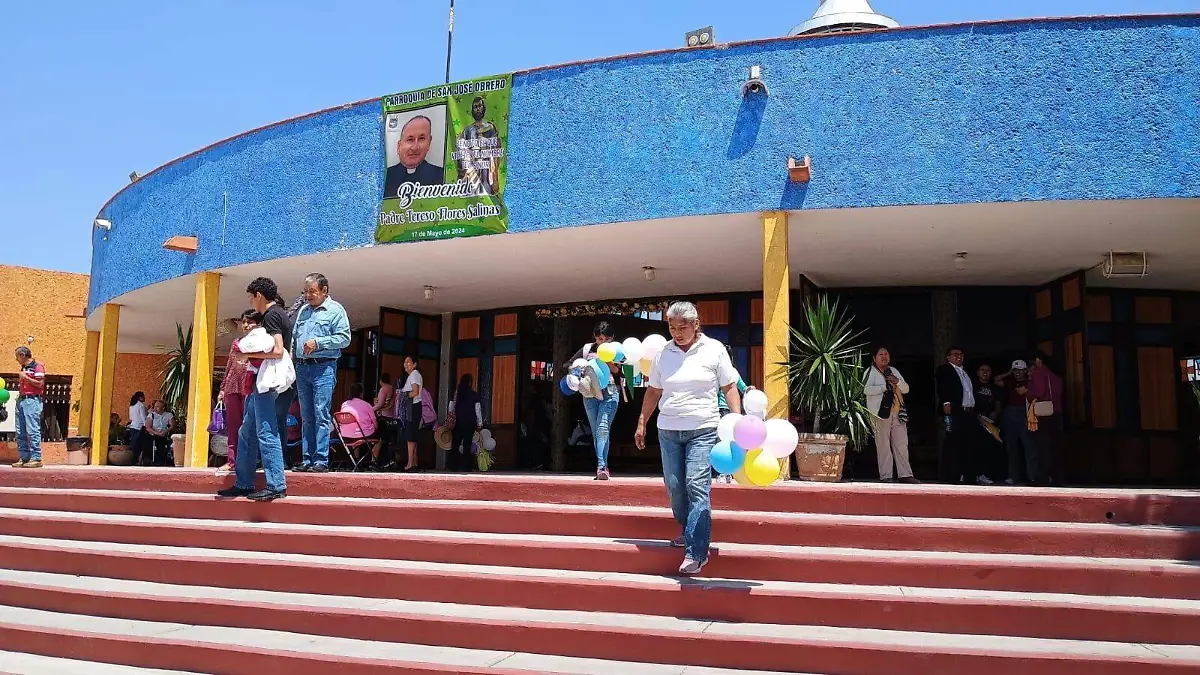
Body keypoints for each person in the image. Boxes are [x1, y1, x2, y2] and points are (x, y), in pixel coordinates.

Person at [635, 301, 741, 576]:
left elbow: (729, 386)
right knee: (675, 488)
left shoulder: (714, 349)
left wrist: (737, 420)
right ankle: (689, 529)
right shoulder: (663, 354)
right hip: (668, 430)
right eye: (672, 327)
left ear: (696, 325)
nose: (677, 333)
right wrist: (642, 421)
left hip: (703, 428)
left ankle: (696, 551)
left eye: (683, 327)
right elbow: (653, 391)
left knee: (696, 484)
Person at [217, 277, 291, 501]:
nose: (251, 301)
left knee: (266, 432)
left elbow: (278, 350)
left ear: (259, 295)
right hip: (258, 383)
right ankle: (244, 483)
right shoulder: (277, 314)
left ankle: (276, 485)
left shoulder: (272, 315)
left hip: (266, 383)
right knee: (246, 432)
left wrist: (247, 355)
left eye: (251, 297)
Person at [292, 273, 351, 473]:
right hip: (302, 368)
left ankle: (320, 460)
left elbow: (345, 338)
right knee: (306, 414)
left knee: (321, 413)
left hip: (323, 368)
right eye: (305, 291)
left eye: (312, 291)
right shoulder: (303, 311)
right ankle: (307, 459)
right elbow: (295, 338)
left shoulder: (335, 310)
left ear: (324, 290)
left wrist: (318, 343)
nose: (308, 295)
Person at [570, 321, 623, 480]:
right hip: (590, 393)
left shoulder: (617, 350)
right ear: (595, 337)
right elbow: (569, 364)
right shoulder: (587, 349)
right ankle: (603, 465)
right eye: (600, 338)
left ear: (612, 338)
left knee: (603, 428)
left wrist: (610, 363)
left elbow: (623, 372)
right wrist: (580, 369)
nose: (603, 342)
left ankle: (601, 466)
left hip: (610, 392)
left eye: (607, 339)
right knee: (596, 431)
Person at [864, 346, 918, 484]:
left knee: (901, 444)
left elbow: (906, 389)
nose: (884, 356)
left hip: (897, 412)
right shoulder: (870, 372)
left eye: (886, 354)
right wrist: (884, 387)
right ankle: (886, 475)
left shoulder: (893, 371)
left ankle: (905, 475)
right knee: (883, 445)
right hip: (879, 414)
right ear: (874, 358)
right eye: (880, 354)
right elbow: (865, 390)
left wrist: (897, 381)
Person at [216, 310, 259, 474]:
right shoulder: (237, 342)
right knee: (234, 426)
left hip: (251, 388)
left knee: (249, 426)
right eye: (244, 322)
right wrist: (222, 388)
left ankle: (250, 462)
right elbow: (229, 365)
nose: (246, 325)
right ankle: (232, 461)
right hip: (232, 387)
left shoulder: (262, 343)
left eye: (250, 322)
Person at [935, 346, 975, 485]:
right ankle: (949, 475)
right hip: (955, 410)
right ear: (948, 357)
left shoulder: (965, 371)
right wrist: (946, 402)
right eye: (955, 354)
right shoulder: (945, 369)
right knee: (952, 442)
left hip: (968, 411)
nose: (958, 356)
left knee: (967, 444)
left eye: (960, 354)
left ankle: (966, 475)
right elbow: (942, 386)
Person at [995, 360, 1037, 485]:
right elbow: (996, 380)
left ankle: (1032, 476)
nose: (1017, 373)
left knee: (1029, 446)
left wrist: (1029, 377)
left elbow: (1038, 387)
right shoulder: (1010, 381)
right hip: (1010, 413)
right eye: (1015, 370)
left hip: (1024, 412)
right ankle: (1013, 476)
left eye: (1020, 370)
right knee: (1011, 447)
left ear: (1025, 370)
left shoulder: (1030, 381)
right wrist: (1009, 373)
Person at [383, 115, 445, 198]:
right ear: (399, 146)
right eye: (410, 139)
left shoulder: (441, 175)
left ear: (429, 143)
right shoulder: (386, 177)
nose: (415, 147)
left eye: (421, 138)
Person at [1027, 352, 1064, 486]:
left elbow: (1039, 392)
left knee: (1043, 447)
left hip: (1043, 414)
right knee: (1054, 447)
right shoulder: (1055, 375)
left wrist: (1028, 392)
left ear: (1038, 360)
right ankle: (1057, 479)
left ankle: (1041, 479)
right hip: (1056, 412)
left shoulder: (1039, 372)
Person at [455, 96, 501, 195]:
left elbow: (495, 153)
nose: (477, 109)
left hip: (486, 173)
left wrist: (495, 178)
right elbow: (461, 152)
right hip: (472, 173)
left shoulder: (490, 128)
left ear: (483, 107)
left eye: (479, 106)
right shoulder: (468, 130)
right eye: (475, 107)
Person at [11, 346, 45, 469]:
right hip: (22, 400)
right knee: (20, 430)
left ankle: (36, 458)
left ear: (22, 355)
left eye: (17, 357)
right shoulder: (24, 367)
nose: (16, 359)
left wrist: (25, 378)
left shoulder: (37, 366)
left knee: (32, 430)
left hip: (32, 400)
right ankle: (24, 457)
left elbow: (40, 384)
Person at [970, 364, 1004, 485]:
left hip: (990, 423)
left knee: (988, 449)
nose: (985, 372)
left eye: (988, 370)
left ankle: (984, 474)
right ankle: (970, 474)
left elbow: (998, 403)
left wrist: (995, 413)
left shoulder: (994, 387)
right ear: (977, 372)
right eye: (982, 370)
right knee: (973, 448)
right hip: (975, 421)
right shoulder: (972, 386)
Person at [337, 383, 380, 467]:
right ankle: (373, 462)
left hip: (346, 436)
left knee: (354, 433)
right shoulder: (367, 405)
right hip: (363, 435)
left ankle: (356, 461)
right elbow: (375, 424)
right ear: (361, 393)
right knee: (379, 439)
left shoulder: (344, 404)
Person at [448, 374, 483, 472]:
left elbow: (450, 407)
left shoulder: (456, 394)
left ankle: (453, 465)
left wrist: (451, 417)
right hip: (470, 422)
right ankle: (466, 466)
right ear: (470, 383)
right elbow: (477, 409)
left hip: (458, 422)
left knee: (455, 444)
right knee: (467, 445)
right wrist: (480, 423)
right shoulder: (474, 395)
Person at [399, 356, 424, 471]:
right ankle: (413, 462)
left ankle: (410, 463)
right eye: (405, 362)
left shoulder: (414, 374)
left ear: (414, 364)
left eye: (408, 362)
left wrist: (404, 395)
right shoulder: (412, 375)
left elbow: (415, 392)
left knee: (410, 436)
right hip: (412, 407)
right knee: (412, 435)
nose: (406, 364)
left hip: (412, 407)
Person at [373, 372, 398, 468]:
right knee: (388, 440)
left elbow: (379, 405)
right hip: (391, 417)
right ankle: (388, 461)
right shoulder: (392, 389)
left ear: (380, 381)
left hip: (383, 417)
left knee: (379, 439)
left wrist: (370, 409)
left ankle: (375, 461)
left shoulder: (383, 389)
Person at [144, 400, 175, 466]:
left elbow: (172, 426)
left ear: (163, 408)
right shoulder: (151, 415)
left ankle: (163, 460)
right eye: (155, 406)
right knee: (153, 441)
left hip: (164, 434)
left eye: (157, 407)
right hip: (153, 434)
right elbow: (148, 427)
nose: (155, 408)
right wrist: (157, 433)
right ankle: (154, 460)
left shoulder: (169, 415)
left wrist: (166, 431)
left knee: (164, 442)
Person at [127, 391, 149, 466]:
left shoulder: (132, 405)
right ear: (140, 397)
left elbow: (130, 417)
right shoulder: (141, 405)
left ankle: (133, 460)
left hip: (133, 426)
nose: (144, 398)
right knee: (140, 445)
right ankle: (138, 460)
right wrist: (147, 427)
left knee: (134, 444)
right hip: (140, 427)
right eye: (143, 396)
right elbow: (144, 418)